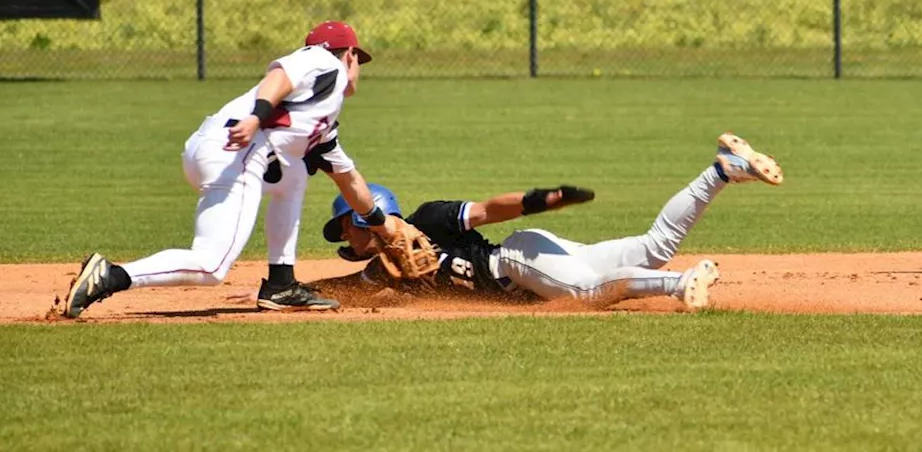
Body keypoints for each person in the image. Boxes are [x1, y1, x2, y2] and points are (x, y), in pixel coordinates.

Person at [63, 21, 396, 318]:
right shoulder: (323, 60)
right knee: (211, 266)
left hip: (217, 148)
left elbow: (348, 179)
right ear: (349, 54)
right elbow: (279, 77)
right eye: (358, 60)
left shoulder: (320, 120)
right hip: (239, 149)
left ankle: (282, 284)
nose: (358, 70)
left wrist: (385, 229)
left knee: (292, 175)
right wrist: (257, 116)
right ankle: (111, 276)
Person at [308, 132, 784, 309]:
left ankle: (680, 285)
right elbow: (341, 289)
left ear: (366, 215)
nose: (343, 237)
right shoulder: (379, 272)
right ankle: (722, 170)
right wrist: (279, 293)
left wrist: (542, 198)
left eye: (344, 226)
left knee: (585, 294)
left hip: (516, 262)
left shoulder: (427, 219)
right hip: (541, 259)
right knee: (654, 246)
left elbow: (491, 209)